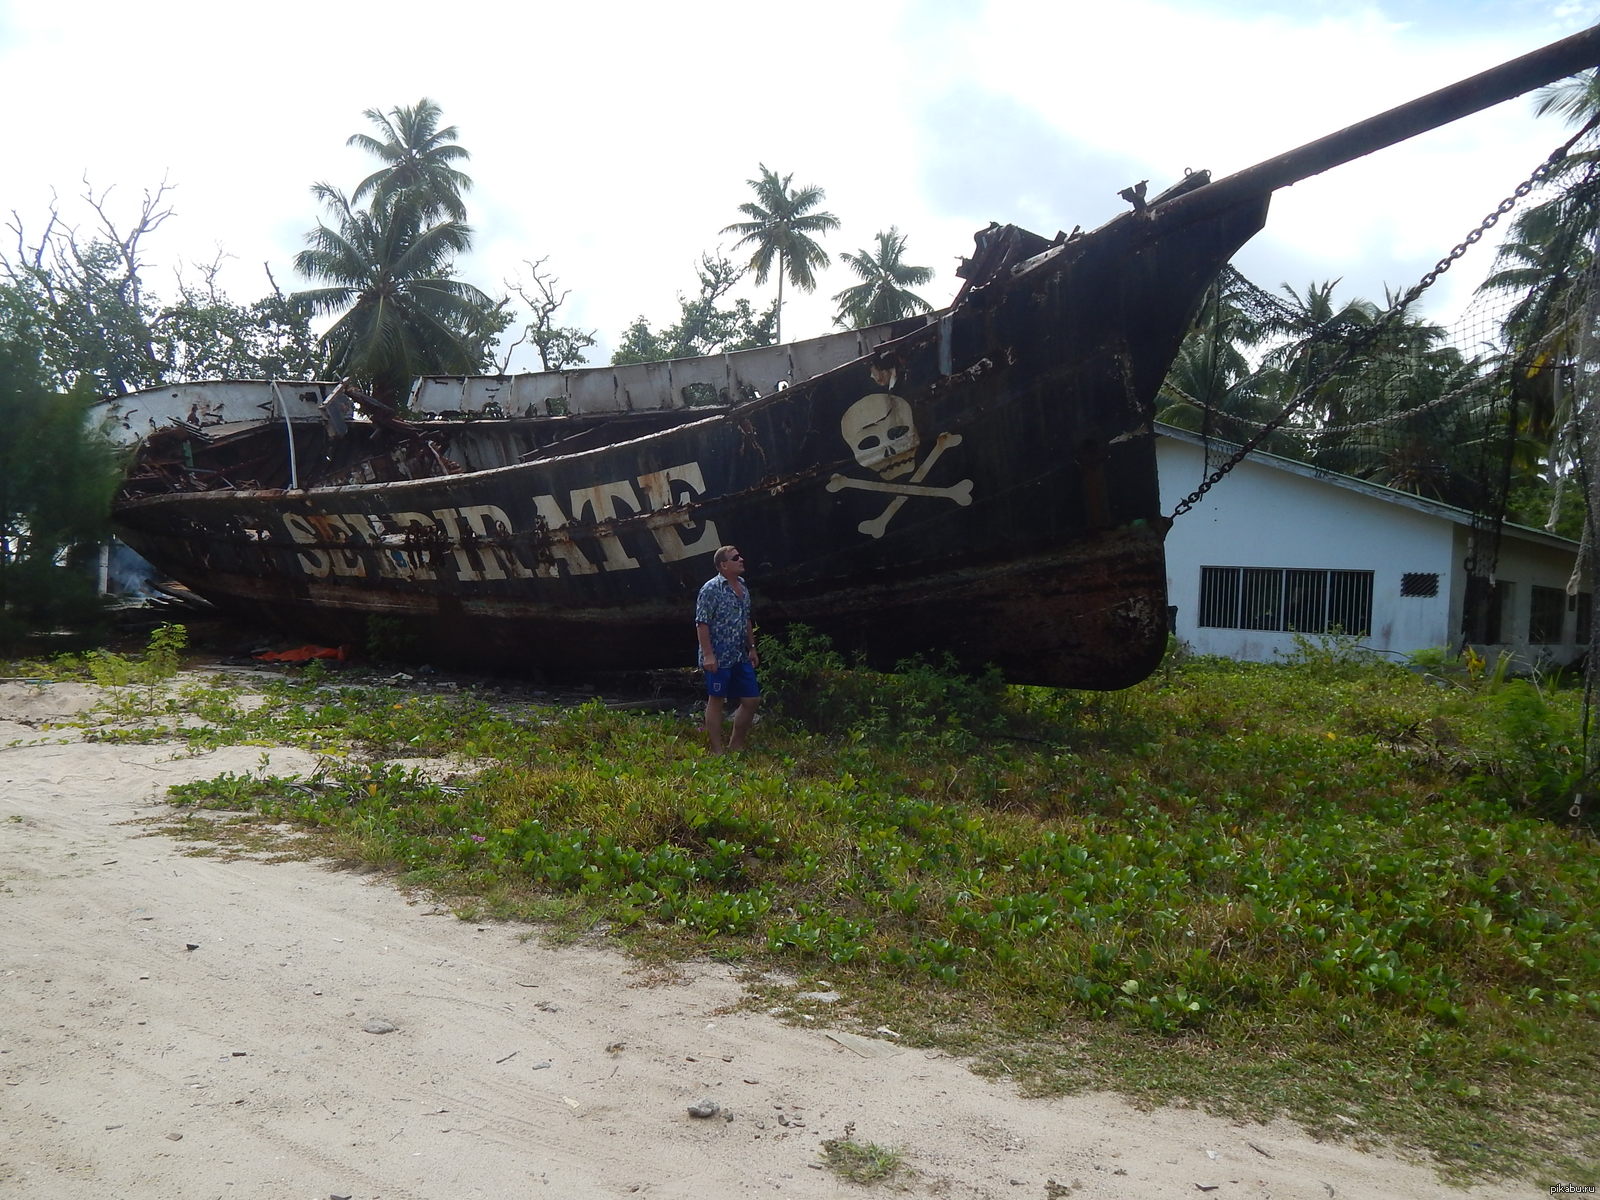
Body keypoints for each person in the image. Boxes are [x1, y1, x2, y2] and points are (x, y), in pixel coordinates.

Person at [695, 545, 760, 753]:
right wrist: (708, 655)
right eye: (735, 557)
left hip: (739, 653)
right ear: (723, 565)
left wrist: (751, 647)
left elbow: (746, 618)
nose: (741, 559)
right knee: (717, 699)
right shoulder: (710, 589)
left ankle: (736, 743)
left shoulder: (742, 585)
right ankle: (716, 749)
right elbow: (701, 623)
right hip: (719, 654)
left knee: (752, 700)